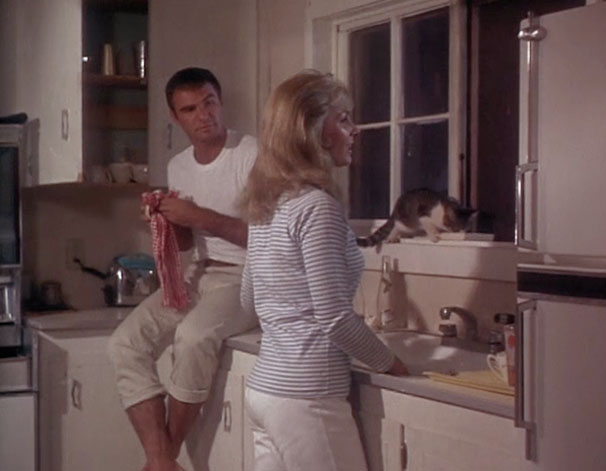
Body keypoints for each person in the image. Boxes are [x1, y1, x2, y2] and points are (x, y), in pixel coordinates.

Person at [238, 70, 409, 471]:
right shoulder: (317, 207)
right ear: (313, 129)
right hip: (306, 397)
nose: (355, 129)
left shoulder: (266, 205)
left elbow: (250, 299)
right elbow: (334, 319)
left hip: (265, 391)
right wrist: (391, 364)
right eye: (344, 118)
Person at [108, 67, 259, 471]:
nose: (203, 114)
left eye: (209, 102)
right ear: (176, 118)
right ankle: (162, 458)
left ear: (220, 101)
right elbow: (190, 242)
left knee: (192, 337)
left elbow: (269, 238)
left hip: (248, 276)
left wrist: (199, 214)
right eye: (190, 109)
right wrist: (166, 224)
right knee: (124, 343)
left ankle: (161, 460)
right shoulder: (178, 167)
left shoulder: (251, 155)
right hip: (198, 274)